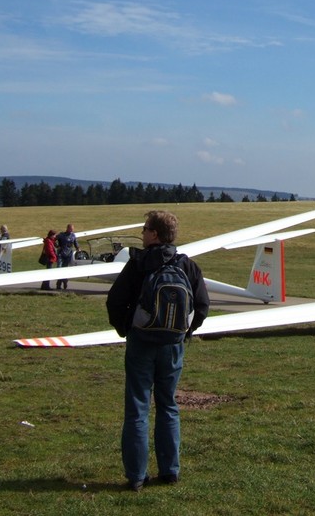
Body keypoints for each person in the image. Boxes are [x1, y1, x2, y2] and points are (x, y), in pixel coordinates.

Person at [106, 211, 210, 492]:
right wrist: (183, 333)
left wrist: (127, 328)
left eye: (144, 229)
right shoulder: (187, 266)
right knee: (168, 406)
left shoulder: (137, 264)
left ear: (154, 234)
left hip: (141, 343)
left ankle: (137, 476)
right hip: (172, 347)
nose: (141, 233)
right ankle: (170, 470)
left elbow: (115, 301)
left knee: (138, 408)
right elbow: (201, 306)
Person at [55, 224, 79, 291]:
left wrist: (78, 248)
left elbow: (75, 243)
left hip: (68, 254)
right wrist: (57, 246)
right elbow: (54, 239)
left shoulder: (73, 235)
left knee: (65, 269)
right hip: (61, 253)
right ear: (67, 228)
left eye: (72, 229)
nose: (72, 230)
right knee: (59, 268)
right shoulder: (61, 235)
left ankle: (64, 281)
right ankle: (59, 283)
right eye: (71, 229)